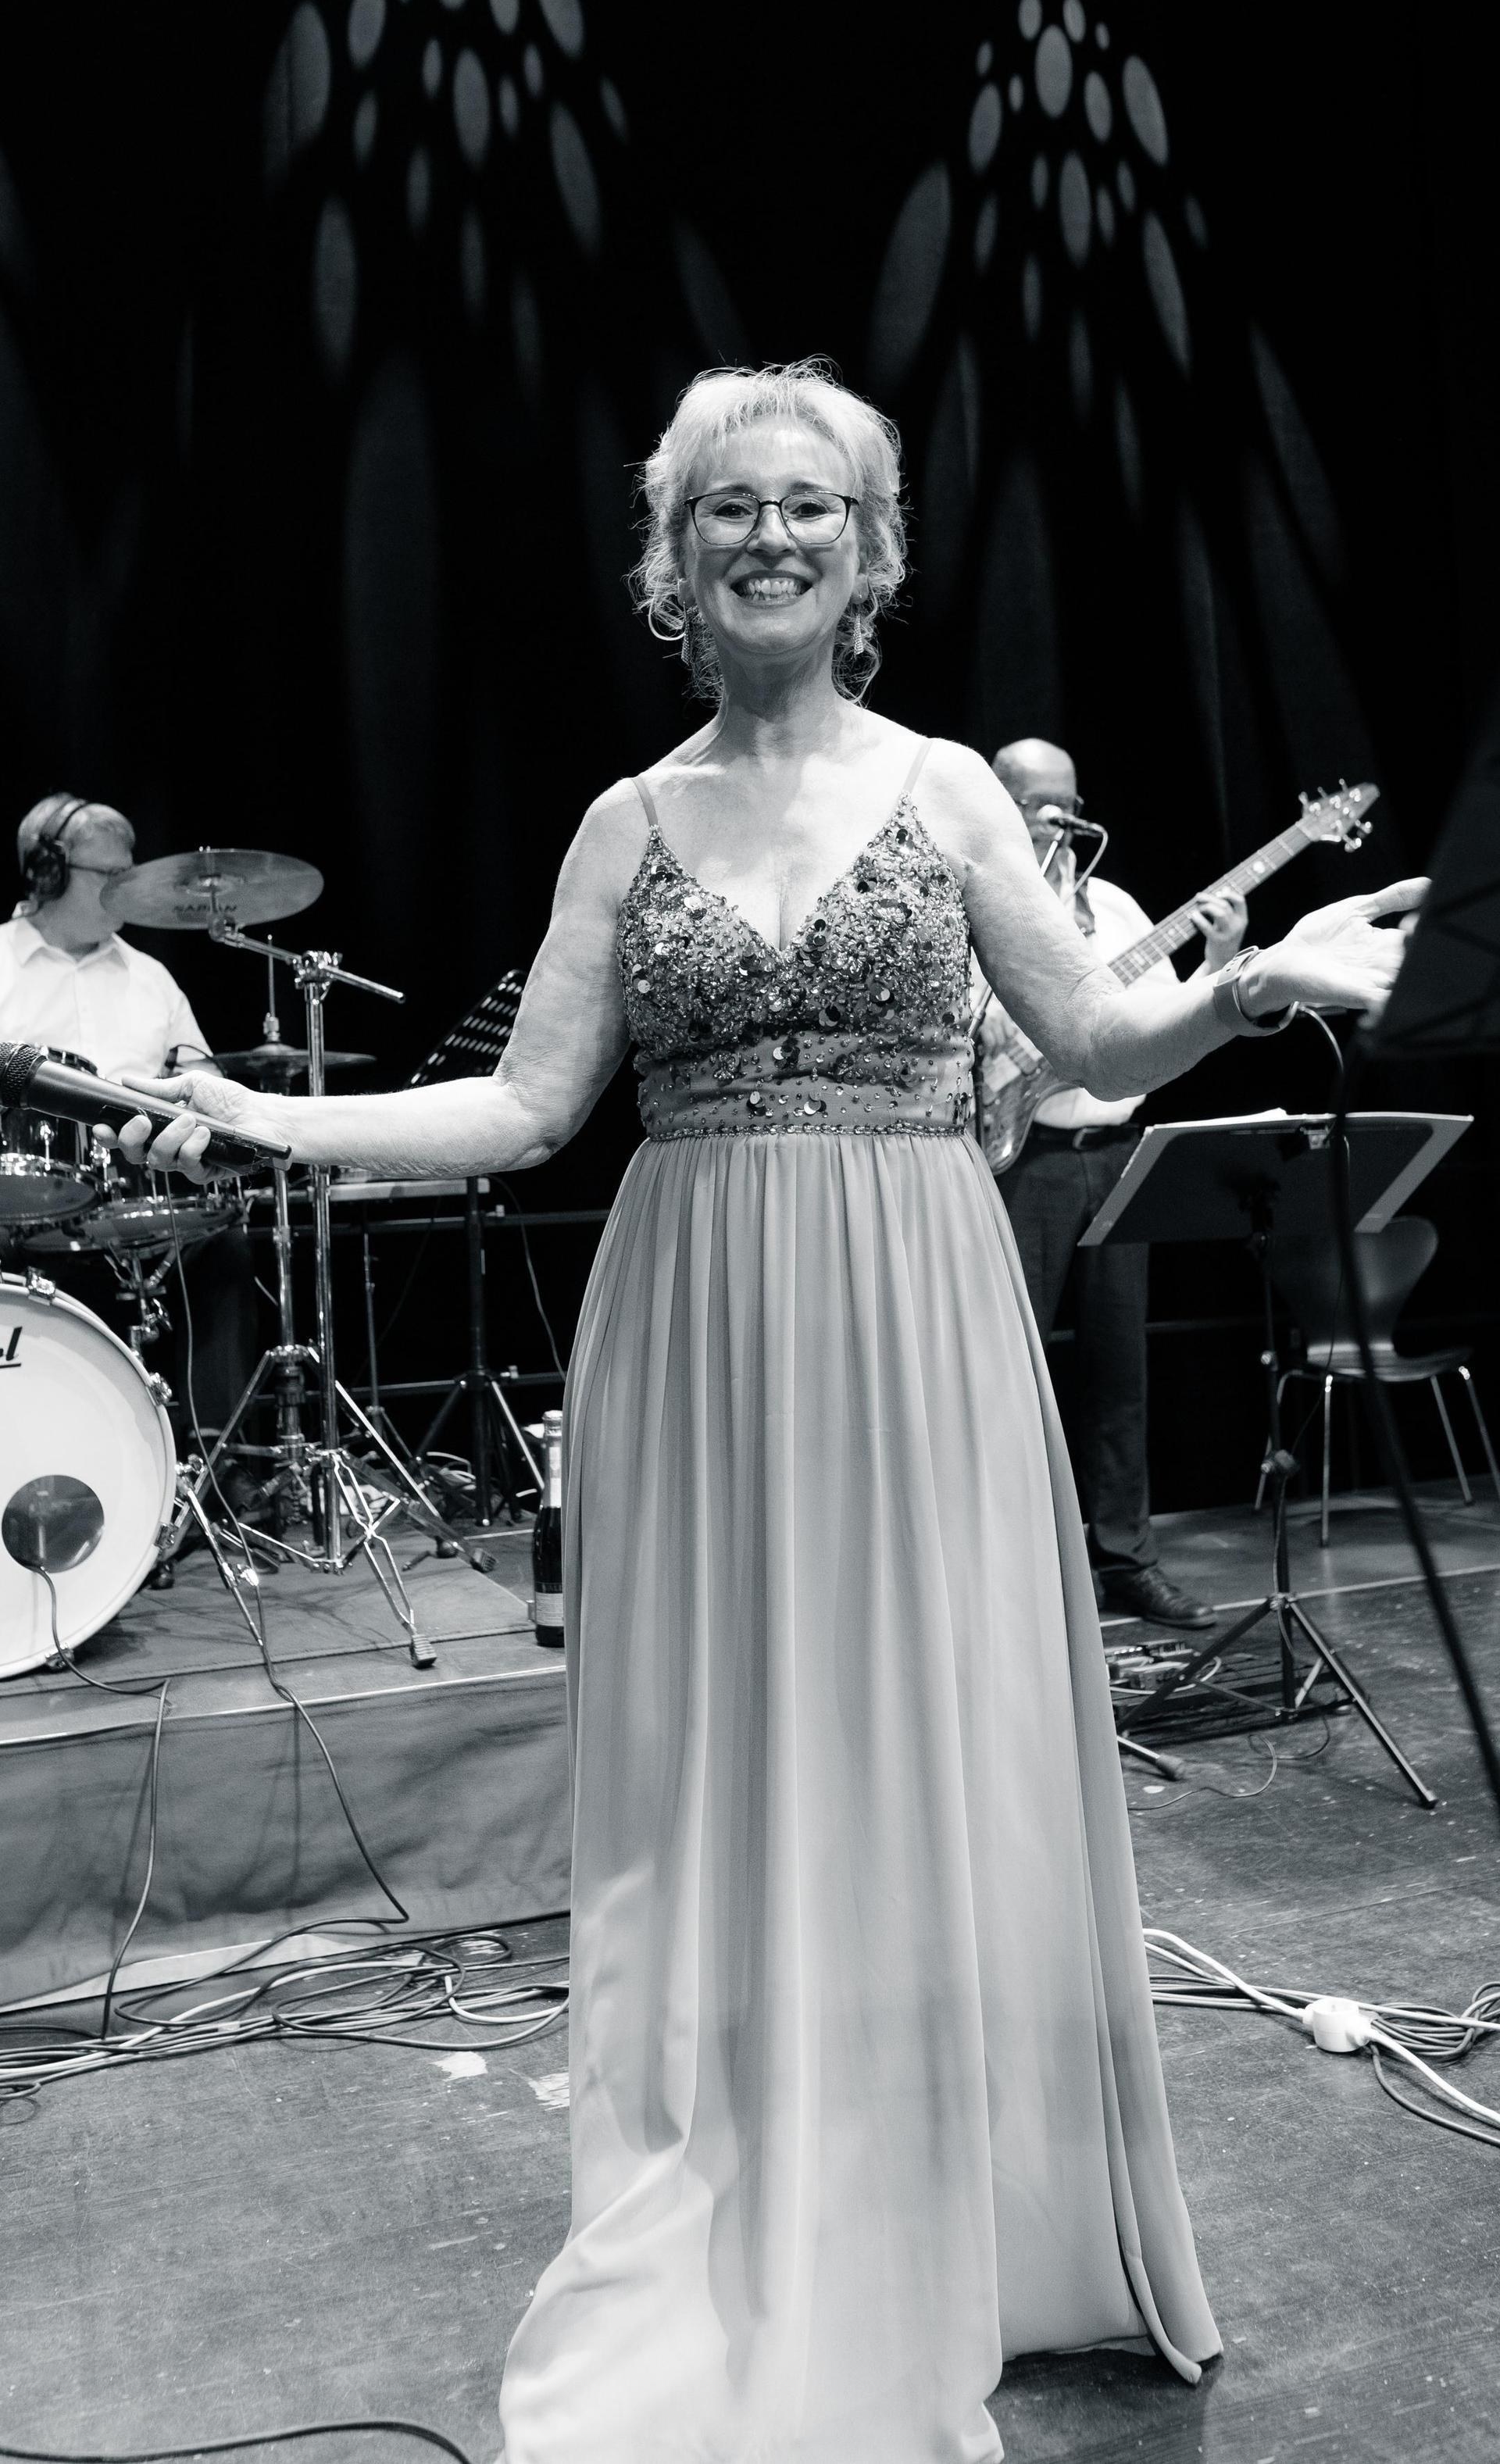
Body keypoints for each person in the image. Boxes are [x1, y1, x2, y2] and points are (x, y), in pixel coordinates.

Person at [118, 363, 1419, 2464]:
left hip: (913, 1295)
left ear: (874, 548)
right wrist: (274, 1107)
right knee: (732, 1763)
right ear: (673, 555)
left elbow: (1089, 1034)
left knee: (921, 1731)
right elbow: (533, 1108)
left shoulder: (953, 792)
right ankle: (761, 2201)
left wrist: (1257, 985)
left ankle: (941, 2200)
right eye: (731, 507)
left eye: (813, 504)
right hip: (699, 1309)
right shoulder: (626, 822)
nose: (773, 534)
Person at [975, 739, 1246, 1629]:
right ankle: (1004, 1576)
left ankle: (1126, 1560)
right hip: (1025, 1162)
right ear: (999, 804)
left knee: (1119, 1369)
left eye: (1069, 800)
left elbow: (1167, 1025)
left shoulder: (1121, 907)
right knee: (1005, 1373)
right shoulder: (976, 902)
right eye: (1037, 801)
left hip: (1116, 1153)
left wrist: (1218, 965)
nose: (1059, 815)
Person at [0, 792, 255, 1440]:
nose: (128, 889)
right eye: (111, 875)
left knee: (226, 1242)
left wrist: (203, 1097)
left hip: (139, 1193)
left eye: (129, 872)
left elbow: (207, 1080)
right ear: (46, 871)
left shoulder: (152, 978)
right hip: (17, 1205)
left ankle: (216, 1465)